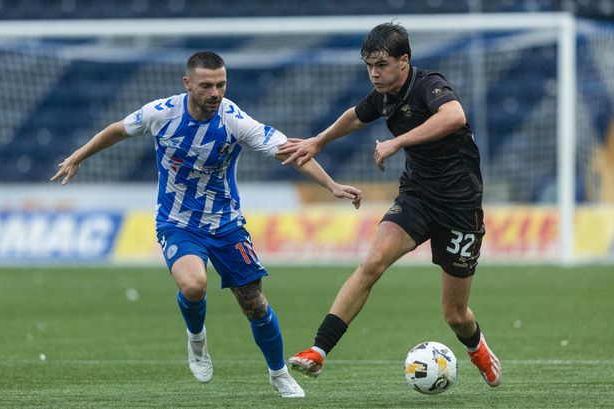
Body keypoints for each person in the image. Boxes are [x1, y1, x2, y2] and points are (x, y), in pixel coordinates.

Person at [50, 51, 362, 398]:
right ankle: (196, 340)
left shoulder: (234, 120)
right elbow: (116, 131)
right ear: (187, 84)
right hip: (177, 223)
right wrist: (78, 156)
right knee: (194, 285)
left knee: (255, 303)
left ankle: (278, 373)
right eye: (207, 86)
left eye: (221, 85)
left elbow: (290, 151)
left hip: (226, 223)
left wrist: (331, 185)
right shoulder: (160, 113)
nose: (215, 93)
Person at [280, 22, 501, 387]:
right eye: (369, 66)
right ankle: (318, 351)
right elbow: (354, 116)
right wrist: (318, 142)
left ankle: (477, 348)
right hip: (417, 196)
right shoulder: (381, 96)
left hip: (460, 206)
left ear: (404, 61)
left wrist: (398, 142)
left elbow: (454, 116)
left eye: (381, 65)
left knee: (455, 314)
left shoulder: (428, 84)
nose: (374, 73)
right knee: (372, 263)